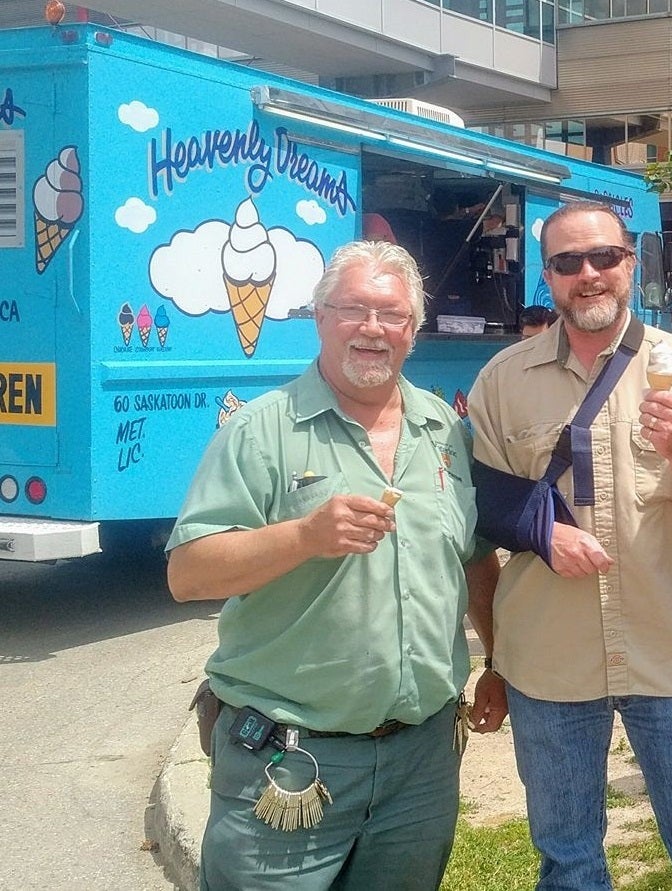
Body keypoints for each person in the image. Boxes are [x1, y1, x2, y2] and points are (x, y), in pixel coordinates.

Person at [167, 241, 502, 890]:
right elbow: (188, 573)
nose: (373, 327)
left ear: (413, 329)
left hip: (421, 761)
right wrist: (304, 535)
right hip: (289, 763)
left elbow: (474, 558)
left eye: (393, 314)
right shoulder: (262, 430)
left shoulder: (444, 430)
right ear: (320, 317)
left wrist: (500, 660)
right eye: (353, 309)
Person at [466, 201, 672, 890]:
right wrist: (498, 655)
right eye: (568, 262)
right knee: (568, 866)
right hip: (548, 667)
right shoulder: (502, 380)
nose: (587, 274)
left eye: (603, 257)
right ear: (549, 276)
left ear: (630, 263)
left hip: (670, 659)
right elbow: (481, 517)